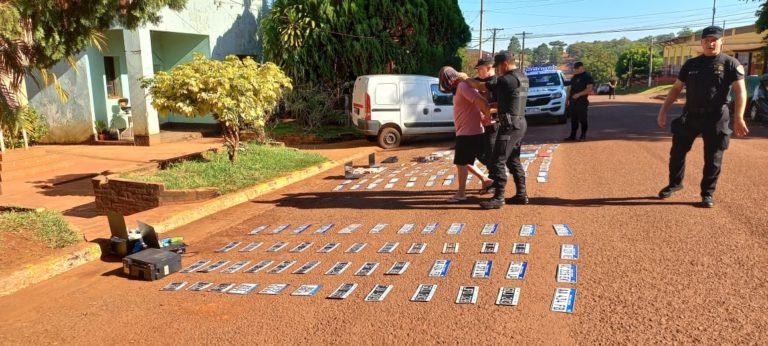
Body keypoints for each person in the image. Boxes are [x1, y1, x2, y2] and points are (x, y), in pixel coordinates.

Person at [656, 25, 749, 208]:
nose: (711, 43)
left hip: (716, 117)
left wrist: (739, 117)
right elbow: (676, 88)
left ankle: (707, 194)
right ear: (702, 42)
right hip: (690, 115)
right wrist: (663, 110)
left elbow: (740, 91)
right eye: (707, 40)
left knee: (713, 157)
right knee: (677, 152)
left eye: (714, 40)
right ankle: (675, 183)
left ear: (722, 41)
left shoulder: (731, 64)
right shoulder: (691, 64)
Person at [460, 52, 529, 209]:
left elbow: (480, 86)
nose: (496, 70)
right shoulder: (522, 77)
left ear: (504, 64)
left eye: (497, 67)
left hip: (510, 125)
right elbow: (511, 101)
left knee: (497, 159)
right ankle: (521, 195)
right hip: (519, 122)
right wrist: (492, 107)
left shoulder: (506, 79)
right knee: (513, 160)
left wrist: (465, 78)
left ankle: (498, 197)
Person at [437, 66, 495, 202]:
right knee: (464, 161)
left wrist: (486, 115)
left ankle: (461, 193)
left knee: (462, 162)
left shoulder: (463, 86)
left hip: (469, 132)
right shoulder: (460, 88)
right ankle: (486, 180)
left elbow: (480, 101)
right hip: (466, 130)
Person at [474, 58, 498, 193]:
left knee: (491, 154)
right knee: (478, 152)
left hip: (493, 124)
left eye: (480, 69)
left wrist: (487, 112)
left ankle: (494, 183)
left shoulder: (496, 83)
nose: (478, 72)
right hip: (479, 125)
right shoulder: (477, 81)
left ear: (489, 68)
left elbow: (501, 105)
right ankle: (493, 179)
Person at [564, 61, 594, 141]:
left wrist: (579, 94)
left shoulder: (587, 77)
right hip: (573, 102)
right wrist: (566, 100)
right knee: (573, 119)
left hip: (582, 101)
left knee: (582, 119)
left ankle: (583, 135)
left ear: (581, 67)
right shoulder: (574, 77)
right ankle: (572, 135)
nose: (576, 70)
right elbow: (569, 89)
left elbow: (589, 89)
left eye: (577, 68)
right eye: (575, 69)